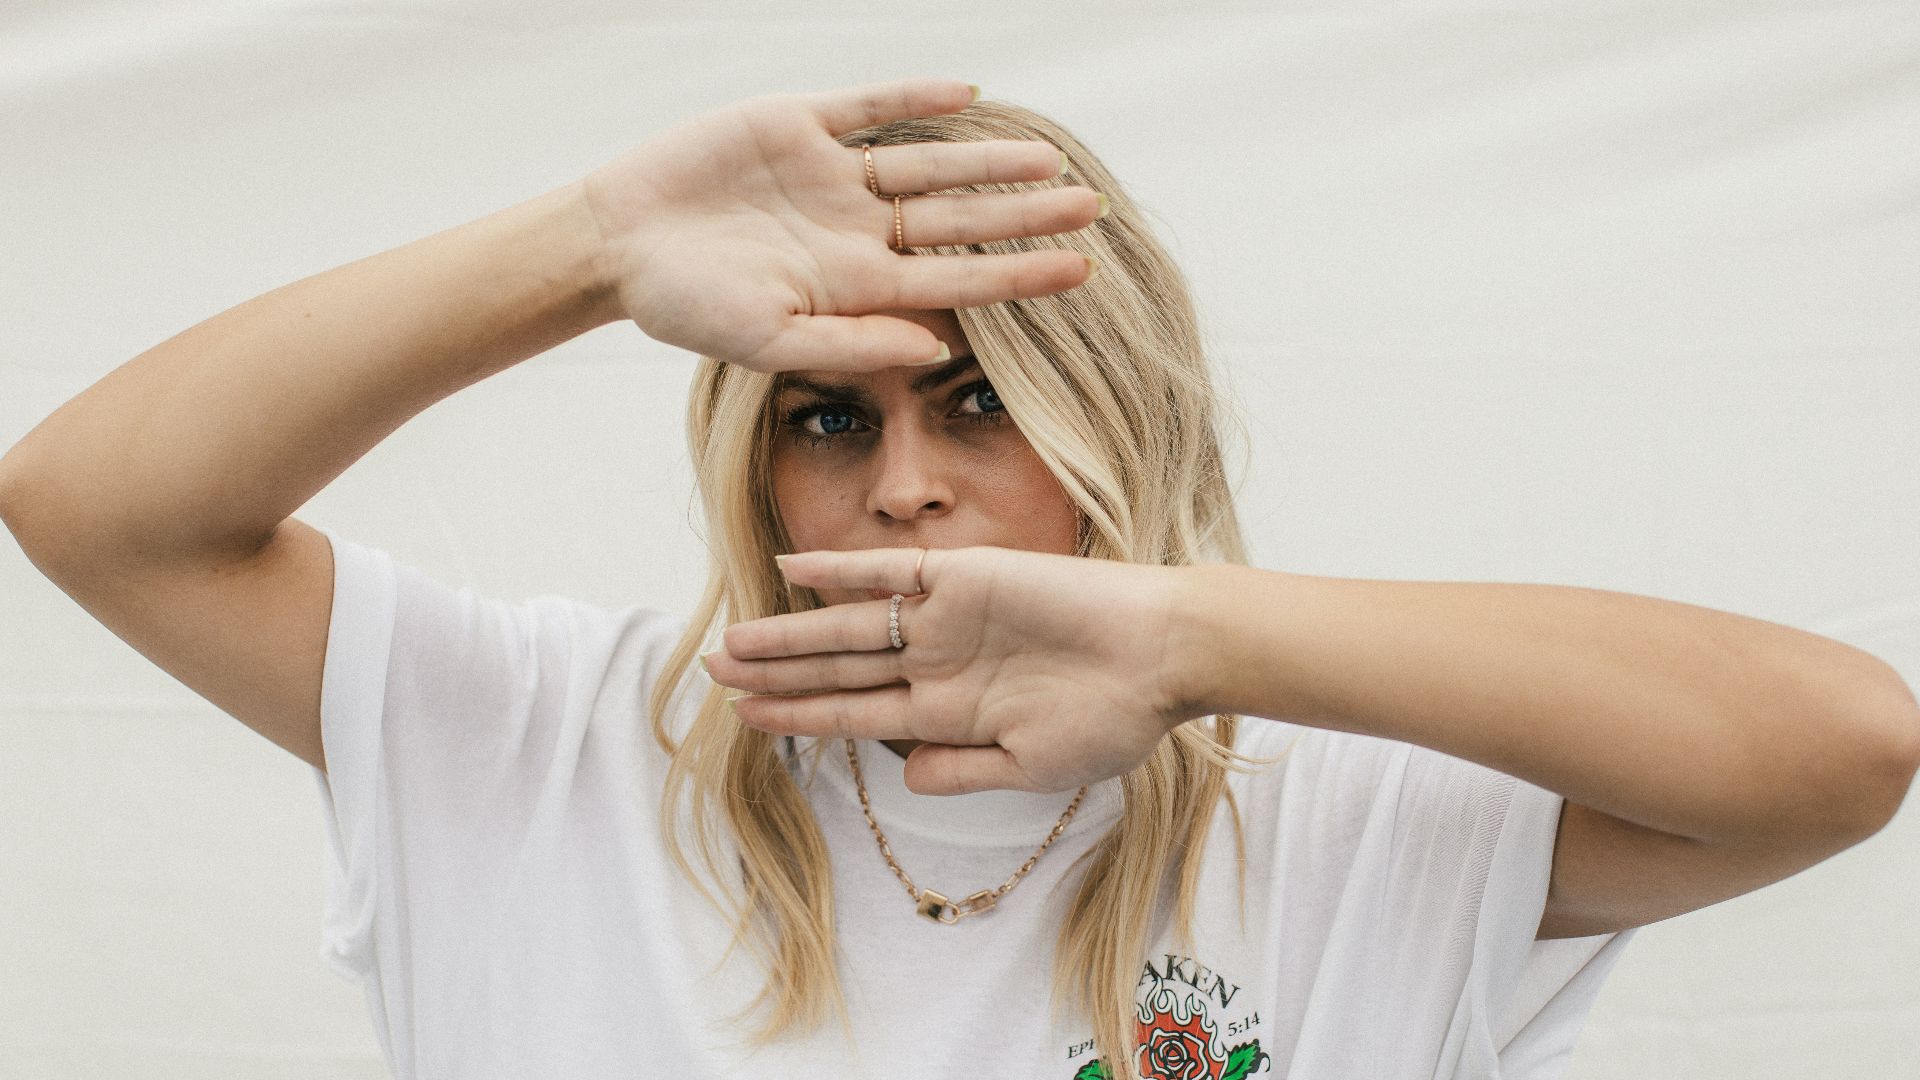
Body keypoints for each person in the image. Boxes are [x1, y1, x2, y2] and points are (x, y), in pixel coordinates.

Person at [3, 76, 1914, 1080]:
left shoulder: (1346, 817)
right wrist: (585, 247)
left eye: (979, 403)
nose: (903, 491)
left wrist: (1186, 634)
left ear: (1117, 424)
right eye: (825, 420)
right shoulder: (536, 746)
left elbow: (1843, 747)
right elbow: (94, 503)